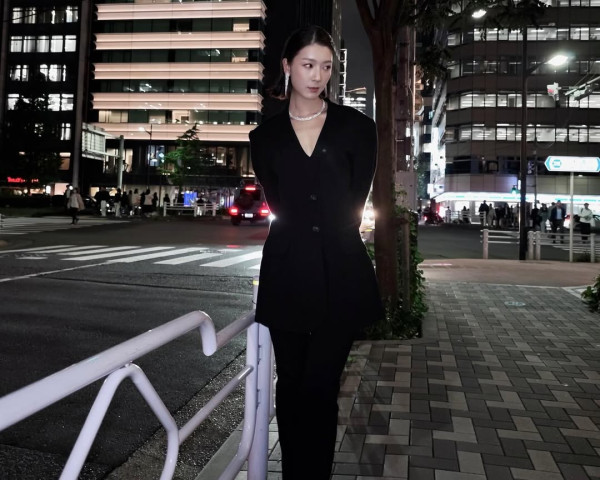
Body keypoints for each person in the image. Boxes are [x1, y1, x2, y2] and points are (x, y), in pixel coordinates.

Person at [249, 25, 384, 480]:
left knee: (320, 386)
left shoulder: (357, 129)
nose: (317, 76)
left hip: (340, 274)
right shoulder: (265, 138)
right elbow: (279, 204)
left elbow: (355, 202)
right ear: (287, 66)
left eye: (326, 67)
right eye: (308, 65)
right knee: (289, 385)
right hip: (286, 273)